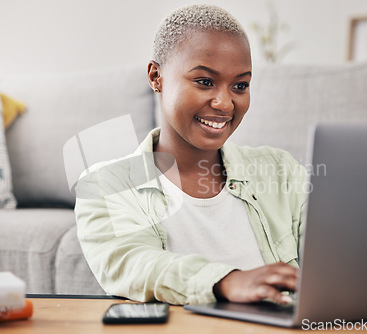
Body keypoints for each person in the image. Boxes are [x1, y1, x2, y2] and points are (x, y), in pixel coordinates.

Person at [75, 4, 307, 306]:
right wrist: (226, 281)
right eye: (204, 82)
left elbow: (337, 253)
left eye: (240, 85)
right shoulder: (105, 184)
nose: (225, 103)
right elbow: (133, 264)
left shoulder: (279, 169)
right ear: (156, 76)